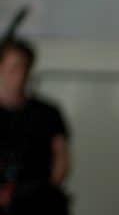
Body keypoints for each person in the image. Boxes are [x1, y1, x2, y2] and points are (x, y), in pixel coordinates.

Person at [0, 37, 70, 186]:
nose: (20, 74)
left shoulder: (47, 113)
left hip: (36, 197)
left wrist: (46, 192)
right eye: (14, 67)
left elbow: (61, 159)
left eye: (24, 67)